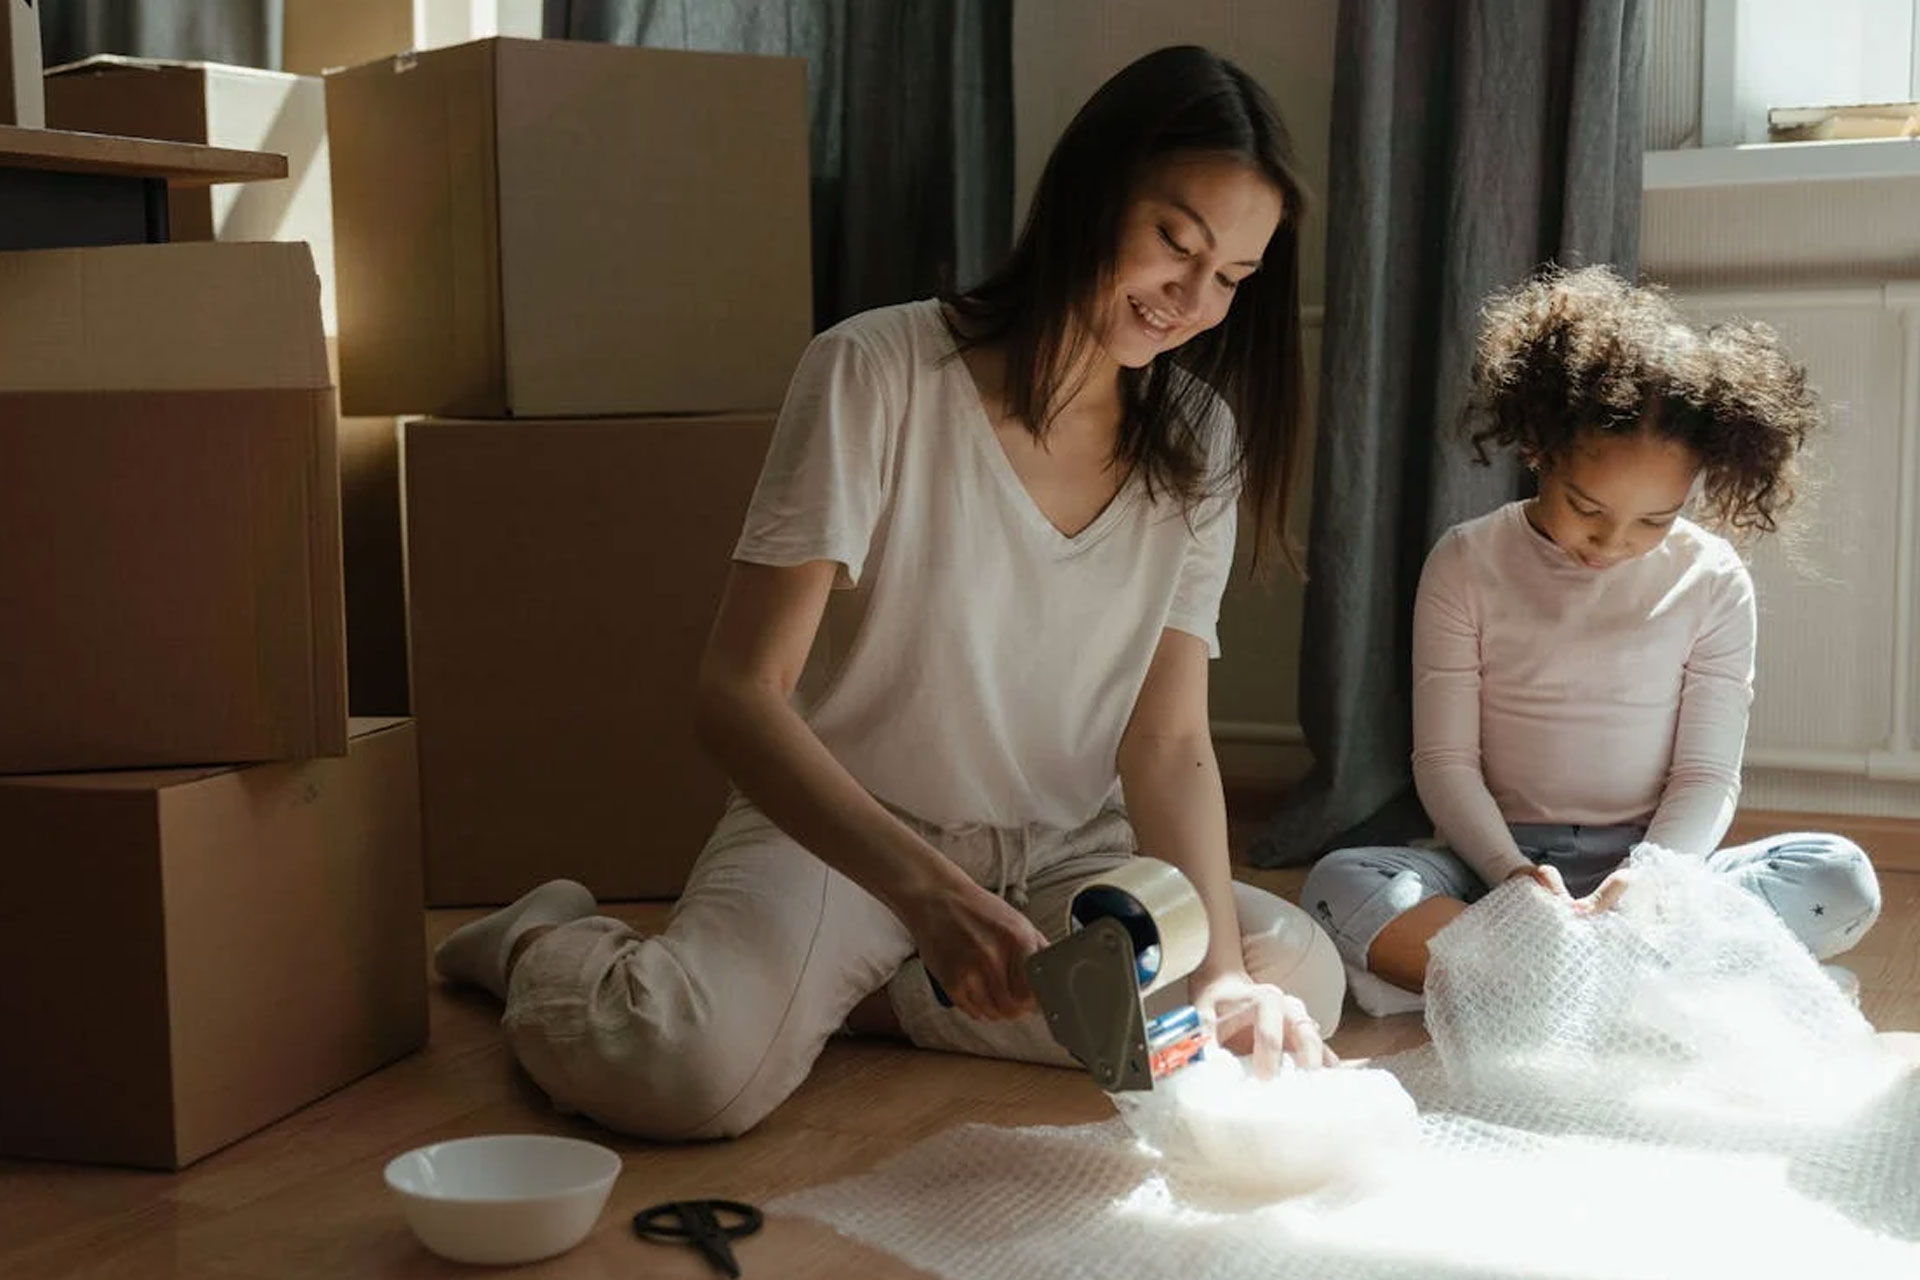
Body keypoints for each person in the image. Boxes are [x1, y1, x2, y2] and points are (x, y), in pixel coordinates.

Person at [433, 45, 1346, 1141]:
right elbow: (736, 694)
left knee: (1289, 974)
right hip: (846, 841)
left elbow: (1170, 745)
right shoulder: (875, 370)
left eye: (1233, 280)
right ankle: (545, 939)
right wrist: (928, 894)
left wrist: (1225, 980)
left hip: (1066, 858)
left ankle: (884, 995)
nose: (1193, 301)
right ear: (1093, 189)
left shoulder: (1200, 439)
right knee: (683, 1069)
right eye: (1175, 244)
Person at [1303, 265, 1882, 1017]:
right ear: (1540, 450)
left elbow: (1706, 775)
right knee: (1341, 883)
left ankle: (1534, 985)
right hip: (1497, 870)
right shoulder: (1466, 561)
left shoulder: (1712, 579)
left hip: (1655, 872)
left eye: (1654, 520)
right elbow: (1444, 761)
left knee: (1839, 877)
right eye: (1587, 507)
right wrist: (1511, 875)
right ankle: (1643, 987)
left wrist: (1646, 879)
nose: (1611, 543)